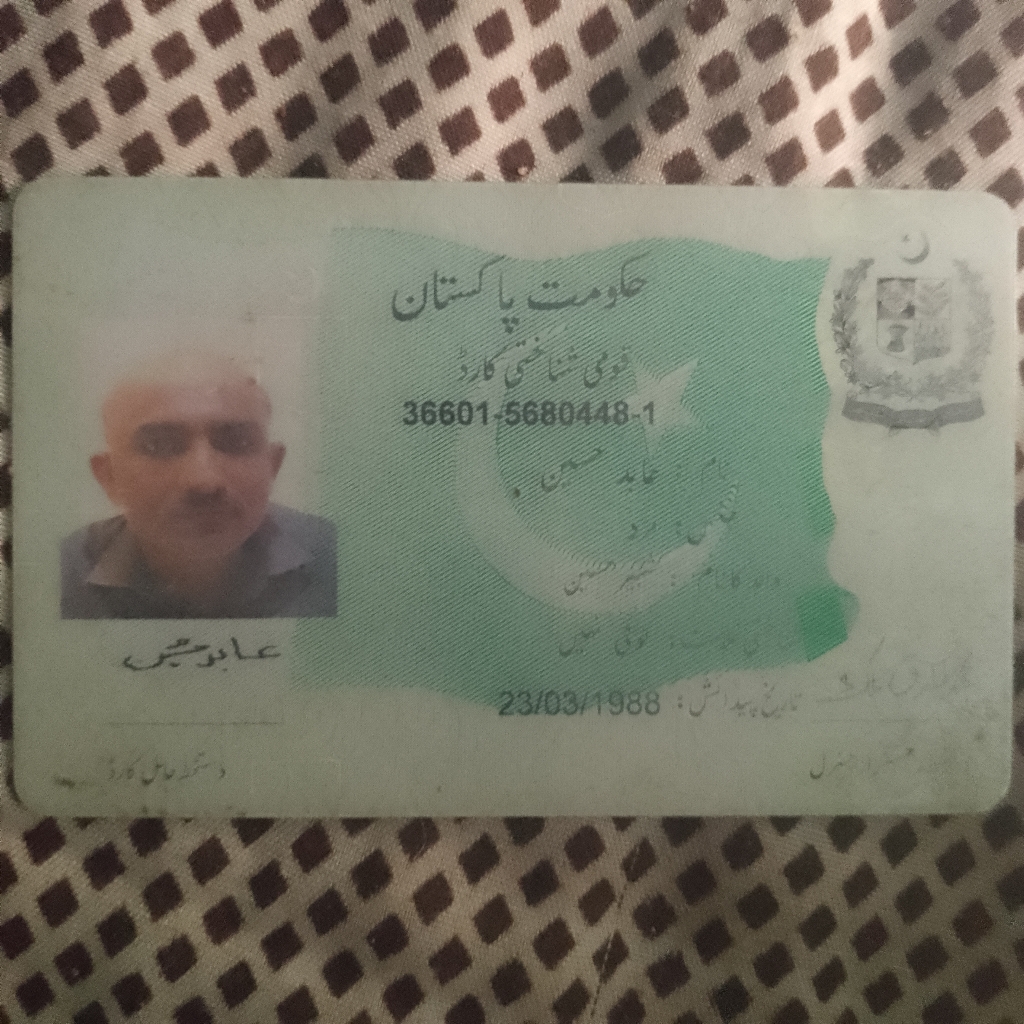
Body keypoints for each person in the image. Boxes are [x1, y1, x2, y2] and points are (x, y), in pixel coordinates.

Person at [61, 352, 336, 618]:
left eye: (238, 442)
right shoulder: (58, 574)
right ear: (109, 476)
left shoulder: (339, 557)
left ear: (272, 466)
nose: (204, 481)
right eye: (159, 445)